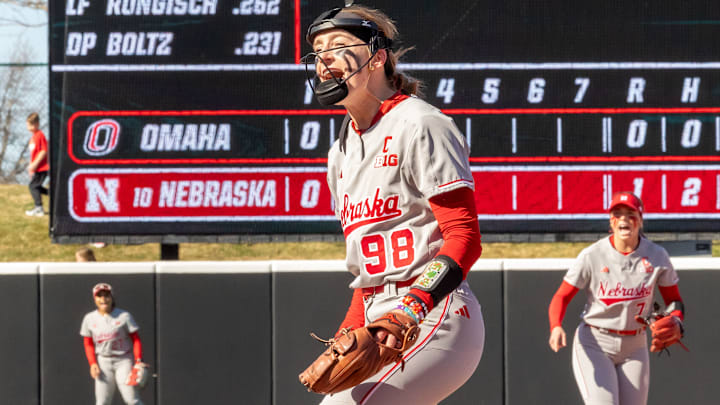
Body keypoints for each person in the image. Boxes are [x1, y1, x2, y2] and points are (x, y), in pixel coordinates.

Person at [302, 4, 484, 404]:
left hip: (434, 311)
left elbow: (464, 236)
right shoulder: (340, 151)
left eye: (336, 45)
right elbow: (366, 273)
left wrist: (410, 309)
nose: (323, 59)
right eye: (317, 52)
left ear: (377, 55)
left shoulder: (420, 122)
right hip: (373, 315)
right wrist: (343, 337)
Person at [547, 191, 686, 405]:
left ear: (640, 219)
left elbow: (675, 301)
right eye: (617, 214)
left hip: (636, 343)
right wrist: (556, 325)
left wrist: (676, 320)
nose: (623, 219)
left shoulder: (657, 255)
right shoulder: (592, 255)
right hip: (595, 341)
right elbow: (562, 296)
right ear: (611, 222)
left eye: (630, 214)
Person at [80, 283, 145, 405]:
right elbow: (87, 343)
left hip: (123, 360)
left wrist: (138, 360)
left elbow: (136, 339)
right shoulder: (89, 318)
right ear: (95, 299)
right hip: (103, 361)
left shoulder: (124, 316)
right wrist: (92, 363)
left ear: (112, 297)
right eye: (99, 296)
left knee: (132, 400)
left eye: (106, 295)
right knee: (102, 402)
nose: (103, 299)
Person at [25, 112, 49, 217]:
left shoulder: (40, 135)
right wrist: (31, 168)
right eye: (28, 125)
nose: (29, 127)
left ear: (37, 124)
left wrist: (35, 164)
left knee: (33, 186)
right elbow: (33, 155)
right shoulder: (33, 138)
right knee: (36, 186)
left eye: (31, 125)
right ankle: (55, 195)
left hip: (42, 167)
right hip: (36, 168)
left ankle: (39, 208)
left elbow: (43, 151)